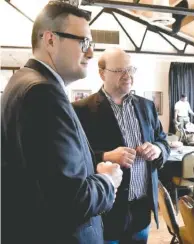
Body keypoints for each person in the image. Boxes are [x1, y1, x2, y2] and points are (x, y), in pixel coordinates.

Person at [1, 2, 123, 244]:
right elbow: (71, 200)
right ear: (50, 40)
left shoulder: (23, 81)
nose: (90, 53)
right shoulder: (42, 93)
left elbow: (48, 178)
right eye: (84, 43)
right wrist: (108, 181)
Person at [72, 47, 170, 243]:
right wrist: (106, 156)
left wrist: (157, 149)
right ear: (102, 73)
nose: (128, 76)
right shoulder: (81, 110)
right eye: (120, 71)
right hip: (107, 210)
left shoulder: (147, 106)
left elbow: (163, 141)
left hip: (142, 209)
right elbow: (74, 159)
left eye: (131, 69)